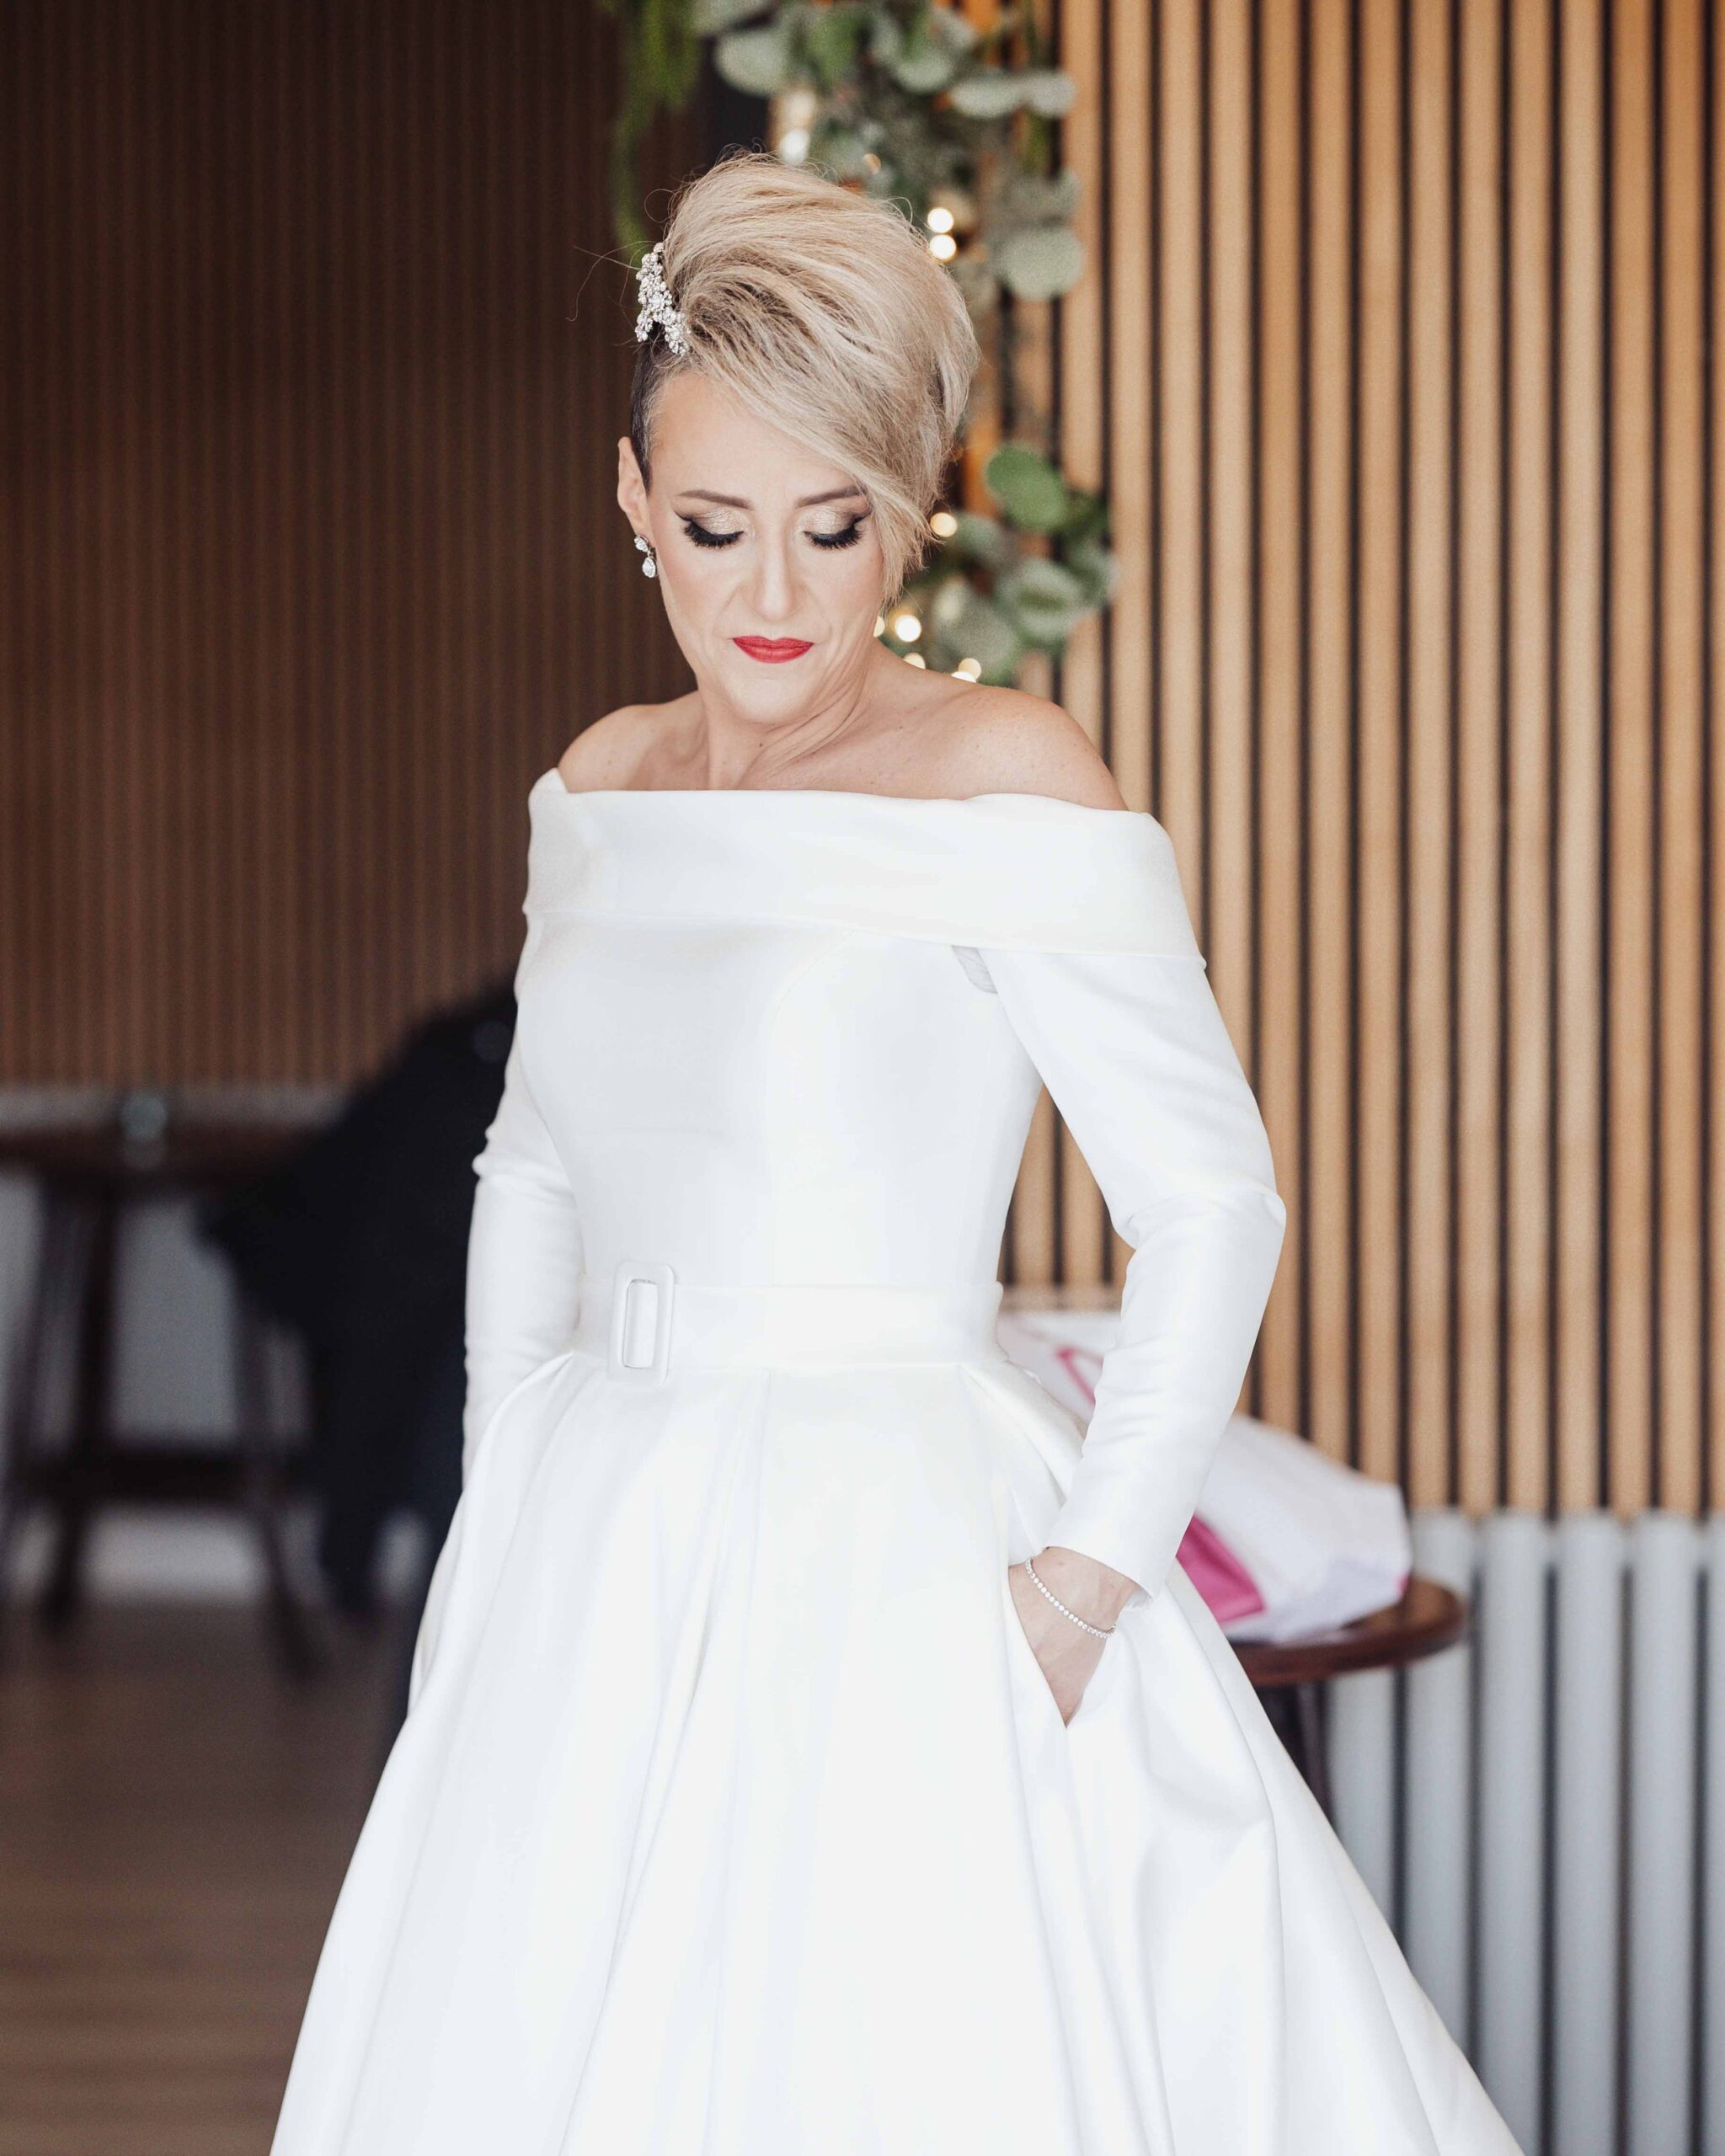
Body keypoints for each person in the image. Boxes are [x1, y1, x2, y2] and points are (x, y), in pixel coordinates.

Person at [270, 149, 1521, 2154]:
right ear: (631, 504)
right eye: (717, 525)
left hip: (906, 1526)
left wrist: (1084, 1583)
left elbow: (1211, 1197)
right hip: (607, 1520)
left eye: (832, 529)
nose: (773, 595)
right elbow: (534, 1166)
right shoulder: (600, 784)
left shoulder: (1005, 776)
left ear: (905, 521)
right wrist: (512, 1486)